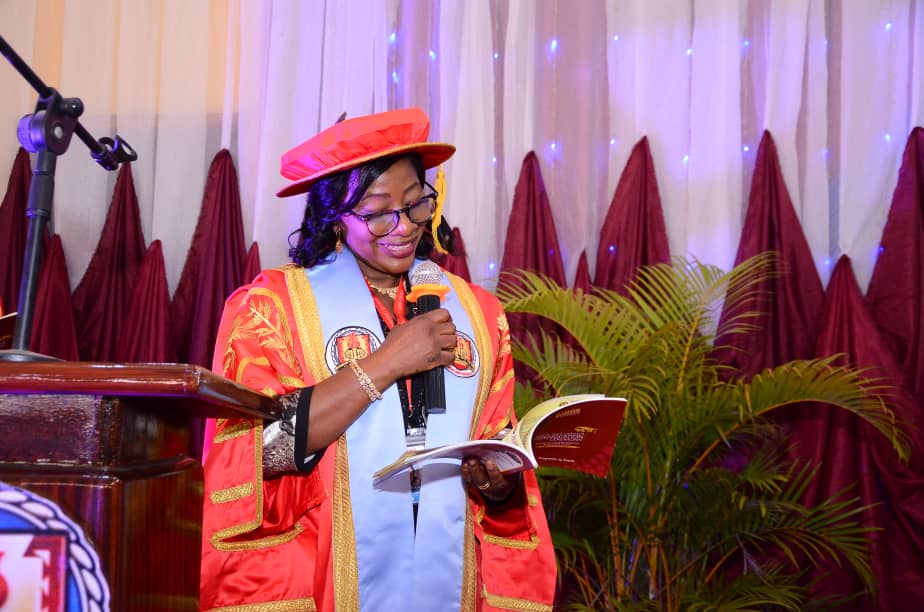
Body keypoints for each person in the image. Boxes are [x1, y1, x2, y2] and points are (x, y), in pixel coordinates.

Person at [199, 108, 557, 611]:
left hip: (446, 573)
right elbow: (258, 455)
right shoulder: (272, 309)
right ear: (335, 218)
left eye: (416, 205)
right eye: (377, 211)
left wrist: (496, 482)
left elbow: (496, 445)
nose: (404, 227)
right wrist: (386, 362)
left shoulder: (478, 312)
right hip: (329, 575)